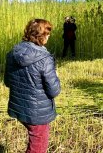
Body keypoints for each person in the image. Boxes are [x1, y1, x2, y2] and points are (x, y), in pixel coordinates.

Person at [4, 19, 61, 153]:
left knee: (35, 141)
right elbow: (54, 91)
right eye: (47, 33)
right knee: (38, 146)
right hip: (37, 112)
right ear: (40, 36)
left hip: (19, 106)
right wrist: (56, 75)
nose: (49, 36)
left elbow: (8, 81)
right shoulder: (44, 58)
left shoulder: (13, 53)